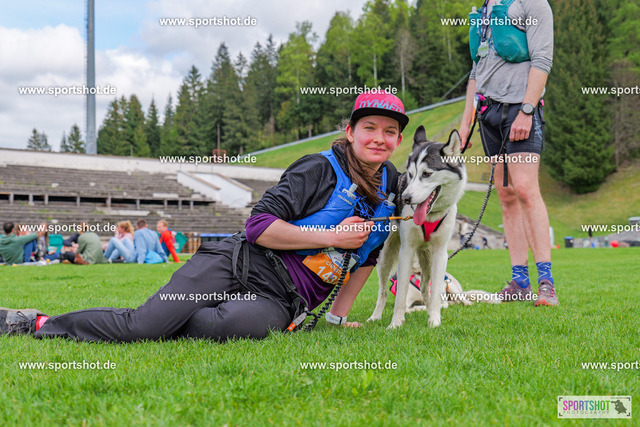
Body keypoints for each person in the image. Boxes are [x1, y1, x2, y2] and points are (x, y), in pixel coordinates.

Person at [0, 91, 406, 342]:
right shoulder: (317, 169)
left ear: (399, 140)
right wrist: (331, 236)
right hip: (239, 262)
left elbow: (367, 257)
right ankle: (35, 322)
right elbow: (258, 227)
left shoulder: (393, 185)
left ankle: (169, 319)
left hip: (280, 298)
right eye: (369, 127)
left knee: (223, 329)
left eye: (389, 132)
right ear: (350, 132)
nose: (378, 138)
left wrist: (336, 318)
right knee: (143, 328)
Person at [459, 0, 557, 305]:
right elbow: (476, 70)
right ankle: (520, 282)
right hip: (488, 113)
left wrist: (527, 110)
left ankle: (546, 283)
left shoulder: (532, 4)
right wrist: (465, 123)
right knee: (506, 195)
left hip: (520, 109)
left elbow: (542, 59)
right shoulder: (483, 9)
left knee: (526, 189)